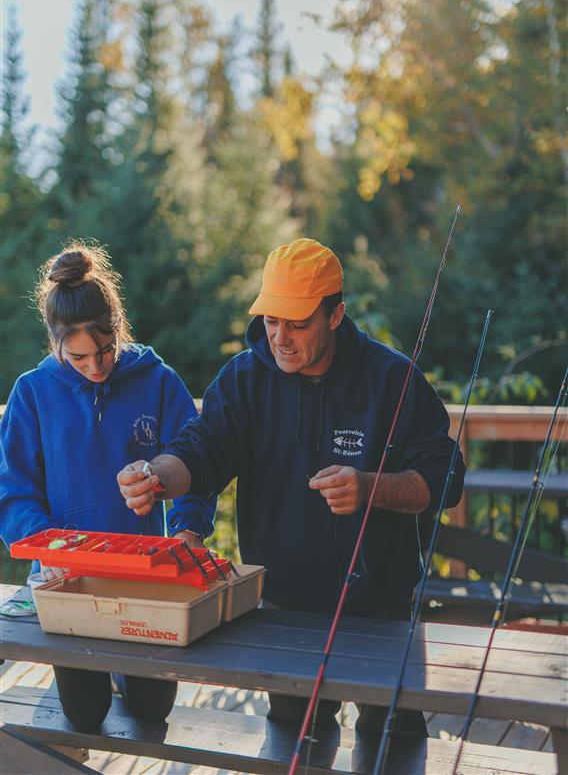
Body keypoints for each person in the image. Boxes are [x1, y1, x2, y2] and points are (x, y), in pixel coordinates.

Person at [118, 237, 465, 738]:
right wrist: (155, 475)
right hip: (283, 609)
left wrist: (370, 488)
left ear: (336, 315)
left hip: (382, 610)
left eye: (297, 323)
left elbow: (446, 477)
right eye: (271, 320)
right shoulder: (242, 380)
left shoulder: (393, 379)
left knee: (394, 745)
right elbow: (199, 451)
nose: (279, 337)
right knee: (295, 743)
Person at [0, 242, 215, 733]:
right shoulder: (31, 393)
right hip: (65, 581)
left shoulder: (158, 381)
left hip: (147, 579)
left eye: (104, 351)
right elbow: (12, 492)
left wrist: (189, 530)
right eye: (77, 358)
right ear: (54, 343)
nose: (96, 367)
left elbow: (196, 463)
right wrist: (48, 548)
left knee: (150, 710)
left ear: (118, 328)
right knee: (83, 714)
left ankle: (130, 682)